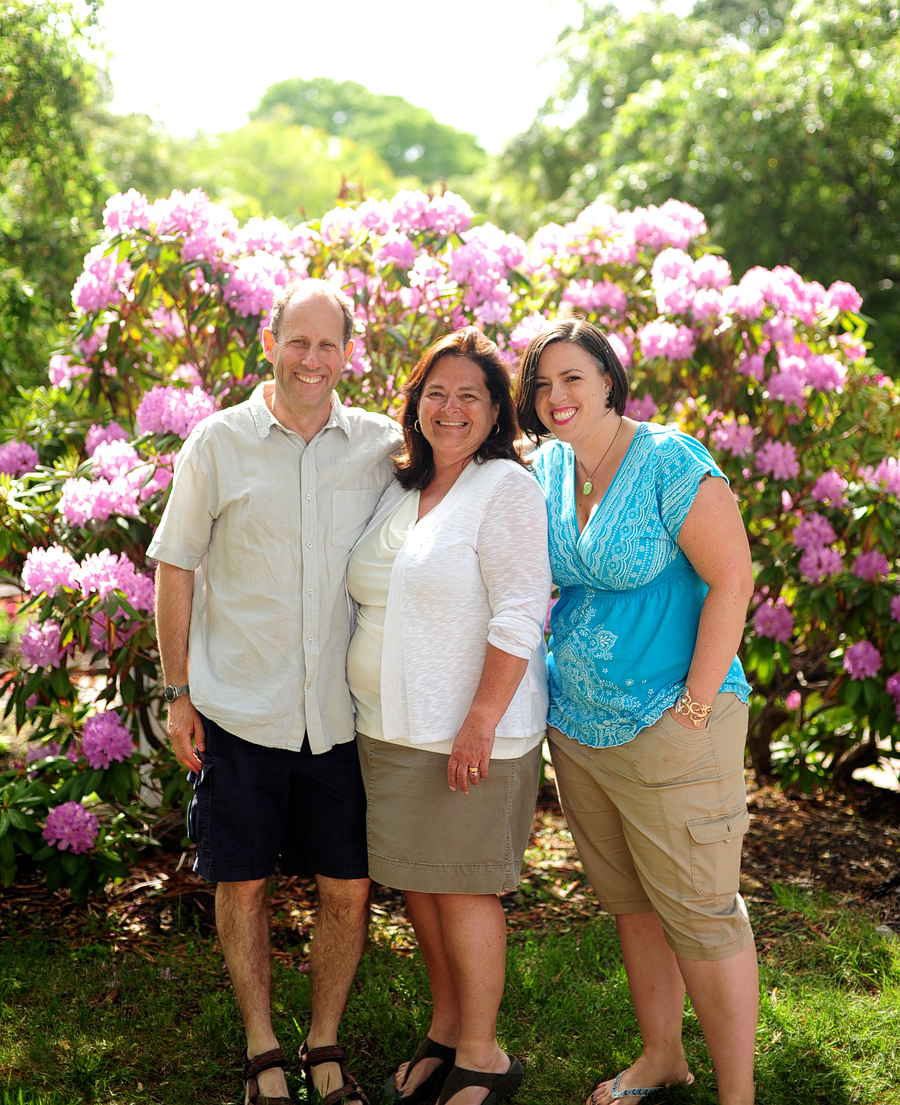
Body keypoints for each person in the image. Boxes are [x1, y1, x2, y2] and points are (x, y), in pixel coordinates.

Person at [148, 279, 402, 1105]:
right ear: (270, 340)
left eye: (329, 344)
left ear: (347, 353)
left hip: (340, 717)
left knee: (348, 884)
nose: (313, 359)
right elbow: (175, 565)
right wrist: (180, 690)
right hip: (240, 710)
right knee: (244, 880)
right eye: (299, 341)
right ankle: (263, 1048)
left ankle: (323, 1040)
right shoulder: (217, 444)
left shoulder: (379, 446)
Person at [515, 317, 758, 1105]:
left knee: (700, 912)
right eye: (542, 383)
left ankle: (738, 1096)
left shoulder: (666, 460)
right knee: (633, 903)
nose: (557, 396)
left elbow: (733, 578)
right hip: (581, 730)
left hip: (675, 722)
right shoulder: (551, 468)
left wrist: (693, 703)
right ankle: (662, 1056)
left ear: (609, 380)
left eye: (572, 377)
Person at [345, 328, 551, 1105]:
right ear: (415, 403)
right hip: (390, 727)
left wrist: (480, 719)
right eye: (437, 391)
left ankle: (484, 1056)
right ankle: (445, 1028)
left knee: (464, 889)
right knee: (421, 887)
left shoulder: (504, 489)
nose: (451, 407)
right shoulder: (403, 486)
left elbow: (522, 610)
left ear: (497, 409)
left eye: (470, 393)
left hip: (471, 733)